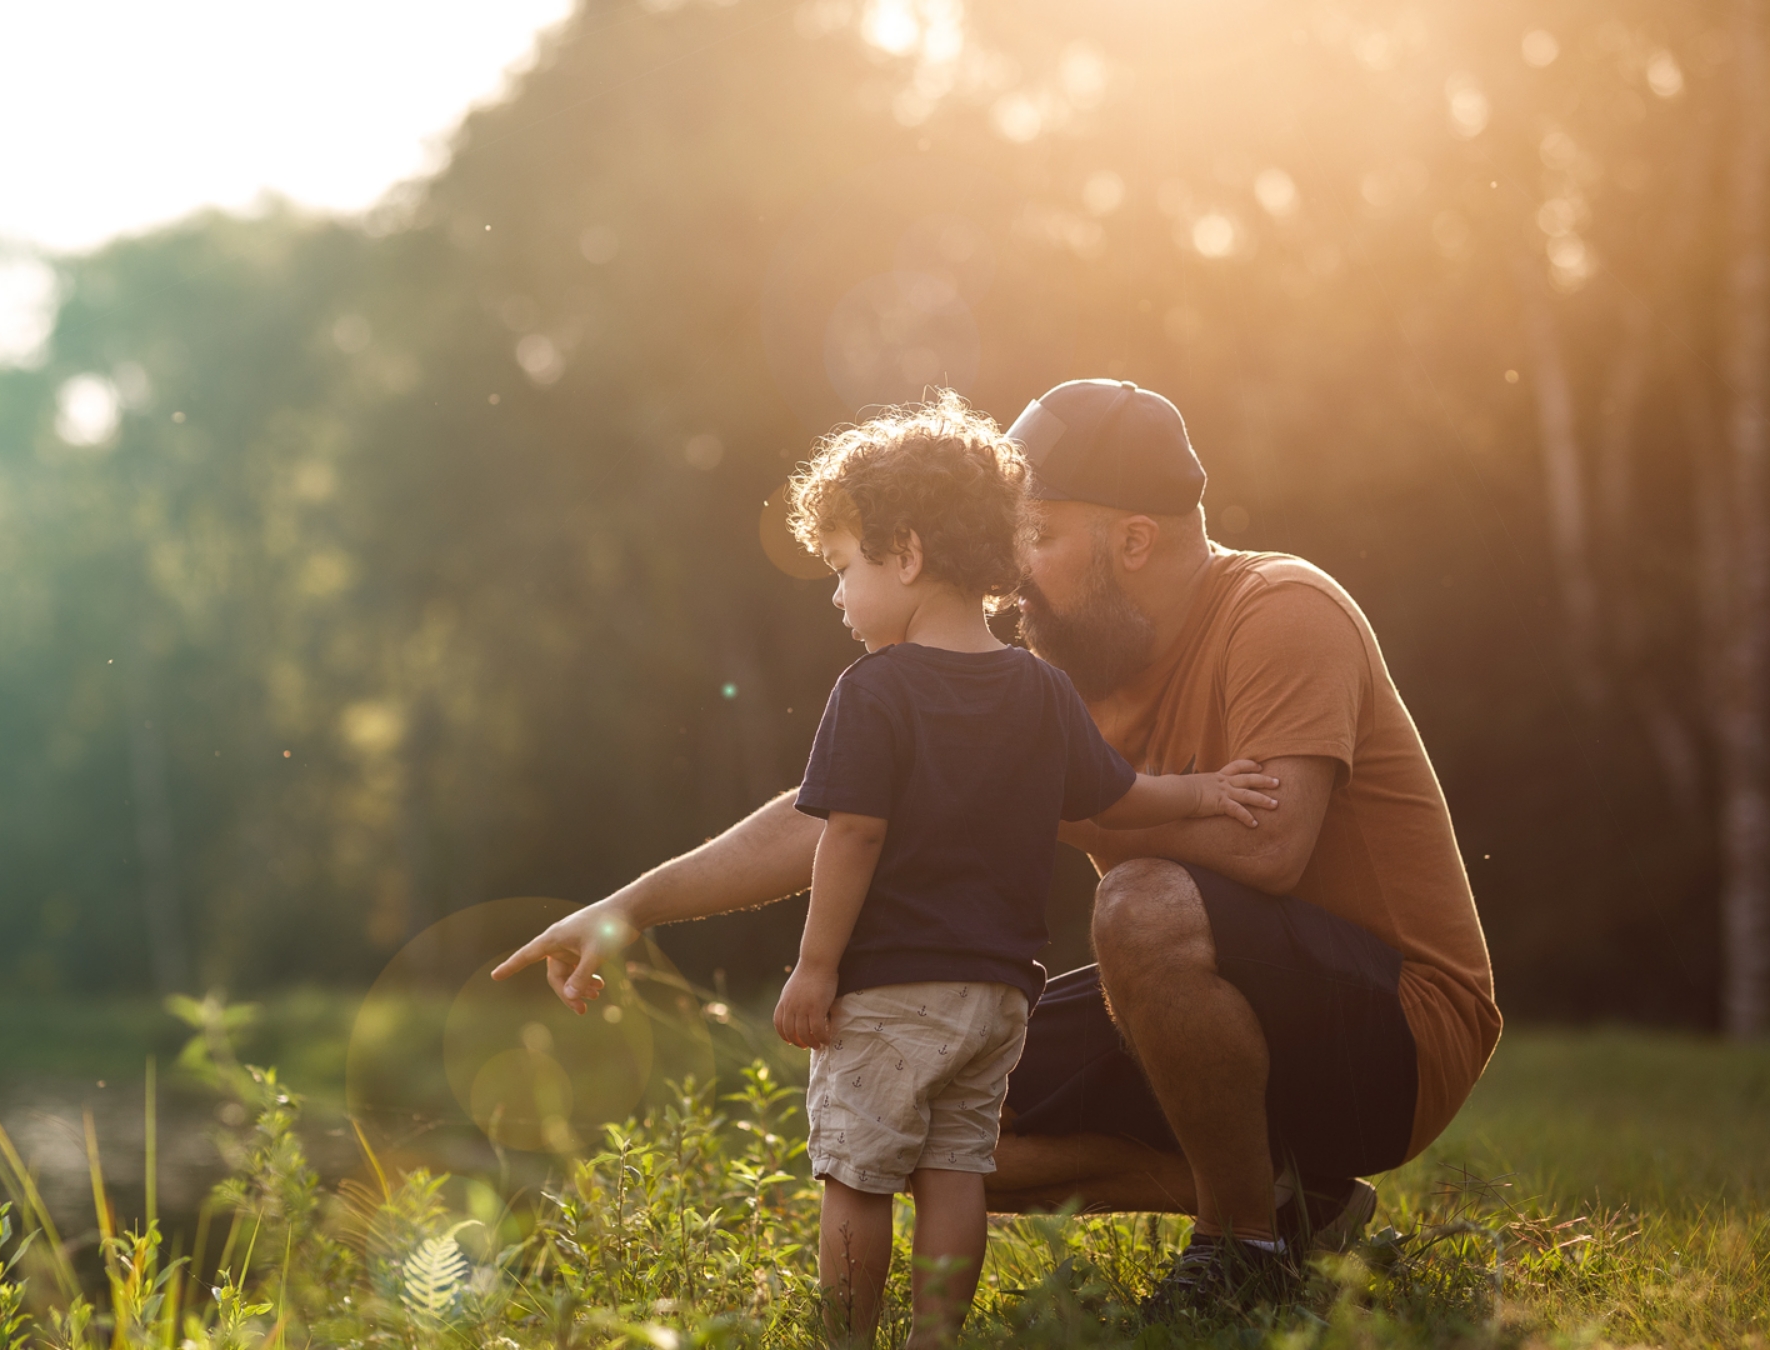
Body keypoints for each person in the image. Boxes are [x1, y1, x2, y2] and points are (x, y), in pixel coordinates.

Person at [493, 379, 1499, 1317]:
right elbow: (835, 808)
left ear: (1134, 542)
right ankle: (1295, 1199)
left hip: (1398, 1035)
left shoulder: (1281, 611)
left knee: (1139, 903)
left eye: (1041, 538)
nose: (1013, 573)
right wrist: (627, 907)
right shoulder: (1061, 675)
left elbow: (1275, 850)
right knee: (930, 1107)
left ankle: (1244, 1249)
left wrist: (1039, 807)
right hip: (1201, 1003)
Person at [761, 396, 1280, 1344]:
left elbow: (853, 837)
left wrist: (816, 967)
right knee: (956, 1169)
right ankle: (936, 1337)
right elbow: (1118, 798)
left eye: (844, 568)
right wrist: (1208, 792)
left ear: (908, 555)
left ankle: (846, 1339)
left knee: (859, 1173)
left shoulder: (873, 690)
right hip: (997, 994)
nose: (838, 596)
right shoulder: (1039, 688)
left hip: (888, 987)